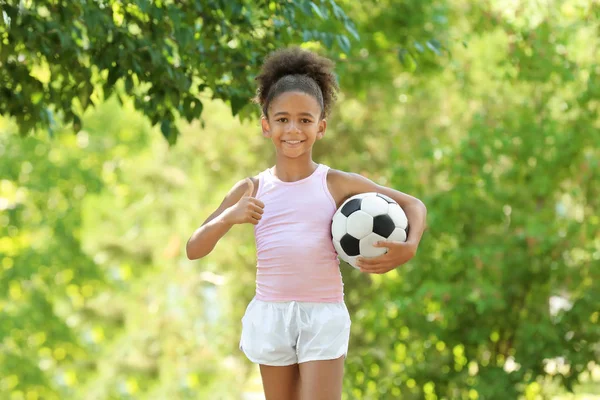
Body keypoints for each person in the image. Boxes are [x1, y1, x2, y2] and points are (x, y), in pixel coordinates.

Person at [186, 47, 427, 400]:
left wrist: (410, 246)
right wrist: (229, 216)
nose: (293, 129)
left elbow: (412, 204)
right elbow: (195, 248)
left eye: (304, 119)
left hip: (322, 314)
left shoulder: (336, 183)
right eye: (282, 119)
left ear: (321, 126)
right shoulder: (252, 188)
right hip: (271, 314)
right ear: (266, 125)